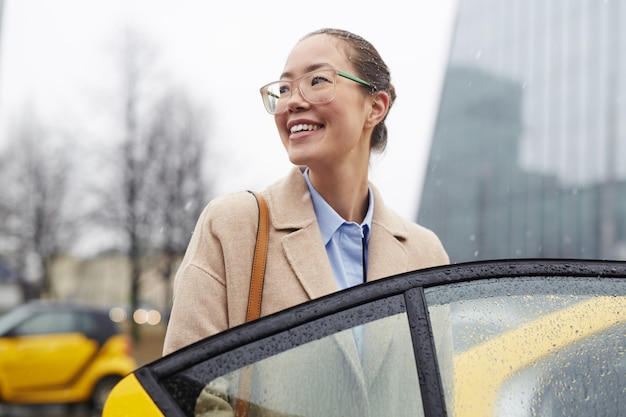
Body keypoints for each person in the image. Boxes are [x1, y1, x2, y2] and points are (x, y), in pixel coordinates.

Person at [162, 28, 449, 356]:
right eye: (284, 88)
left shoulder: (427, 255)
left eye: (317, 81)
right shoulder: (233, 228)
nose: (293, 101)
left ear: (375, 107)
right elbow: (188, 397)